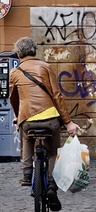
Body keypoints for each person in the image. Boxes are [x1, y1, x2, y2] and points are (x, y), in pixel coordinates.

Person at [9, 37, 80, 211]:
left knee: (26, 137)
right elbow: (57, 96)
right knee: (53, 151)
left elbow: (14, 99)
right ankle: (51, 187)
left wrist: (19, 117)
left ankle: (26, 174)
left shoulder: (15, 72)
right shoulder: (46, 67)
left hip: (28, 120)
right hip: (50, 120)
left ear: (19, 54)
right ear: (34, 51)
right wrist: (68, 122)